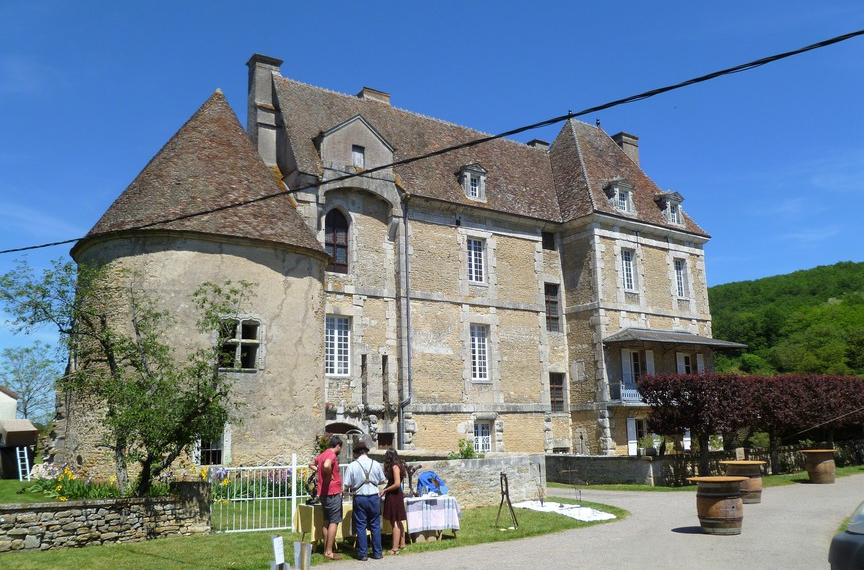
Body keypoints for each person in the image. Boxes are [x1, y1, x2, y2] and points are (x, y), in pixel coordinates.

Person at [343, 436, 387, 561]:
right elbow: (382, 480)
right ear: (366, 452)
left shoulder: (352, 465)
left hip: (360, 497)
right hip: (373, 497)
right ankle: (377, 552)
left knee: (361, 526)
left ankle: (363, 554)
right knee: (375, 525)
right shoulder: (376, 464)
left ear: (357, 453)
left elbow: (346, 485)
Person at [310, 435, 344, 561]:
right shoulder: (331, 455)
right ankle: (329, 551)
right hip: (332, 492)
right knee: (334, 521)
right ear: (338, 446)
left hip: (323, 493)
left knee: (327, 521)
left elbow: (311, 464)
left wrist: (320, 471)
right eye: (341, 447)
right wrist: (329, 475)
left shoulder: (323, 454)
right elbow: (326, 465)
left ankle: (326, 549)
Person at [380, 448, 408, 555]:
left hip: (394, 496)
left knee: (395, 521)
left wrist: (385, 490)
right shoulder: (398, 465)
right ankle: (402, 544)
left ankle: (395, 548)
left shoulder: (395, 467)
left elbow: (396, 484)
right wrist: (384, 489)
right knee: (397, 520)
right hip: (394, 495)